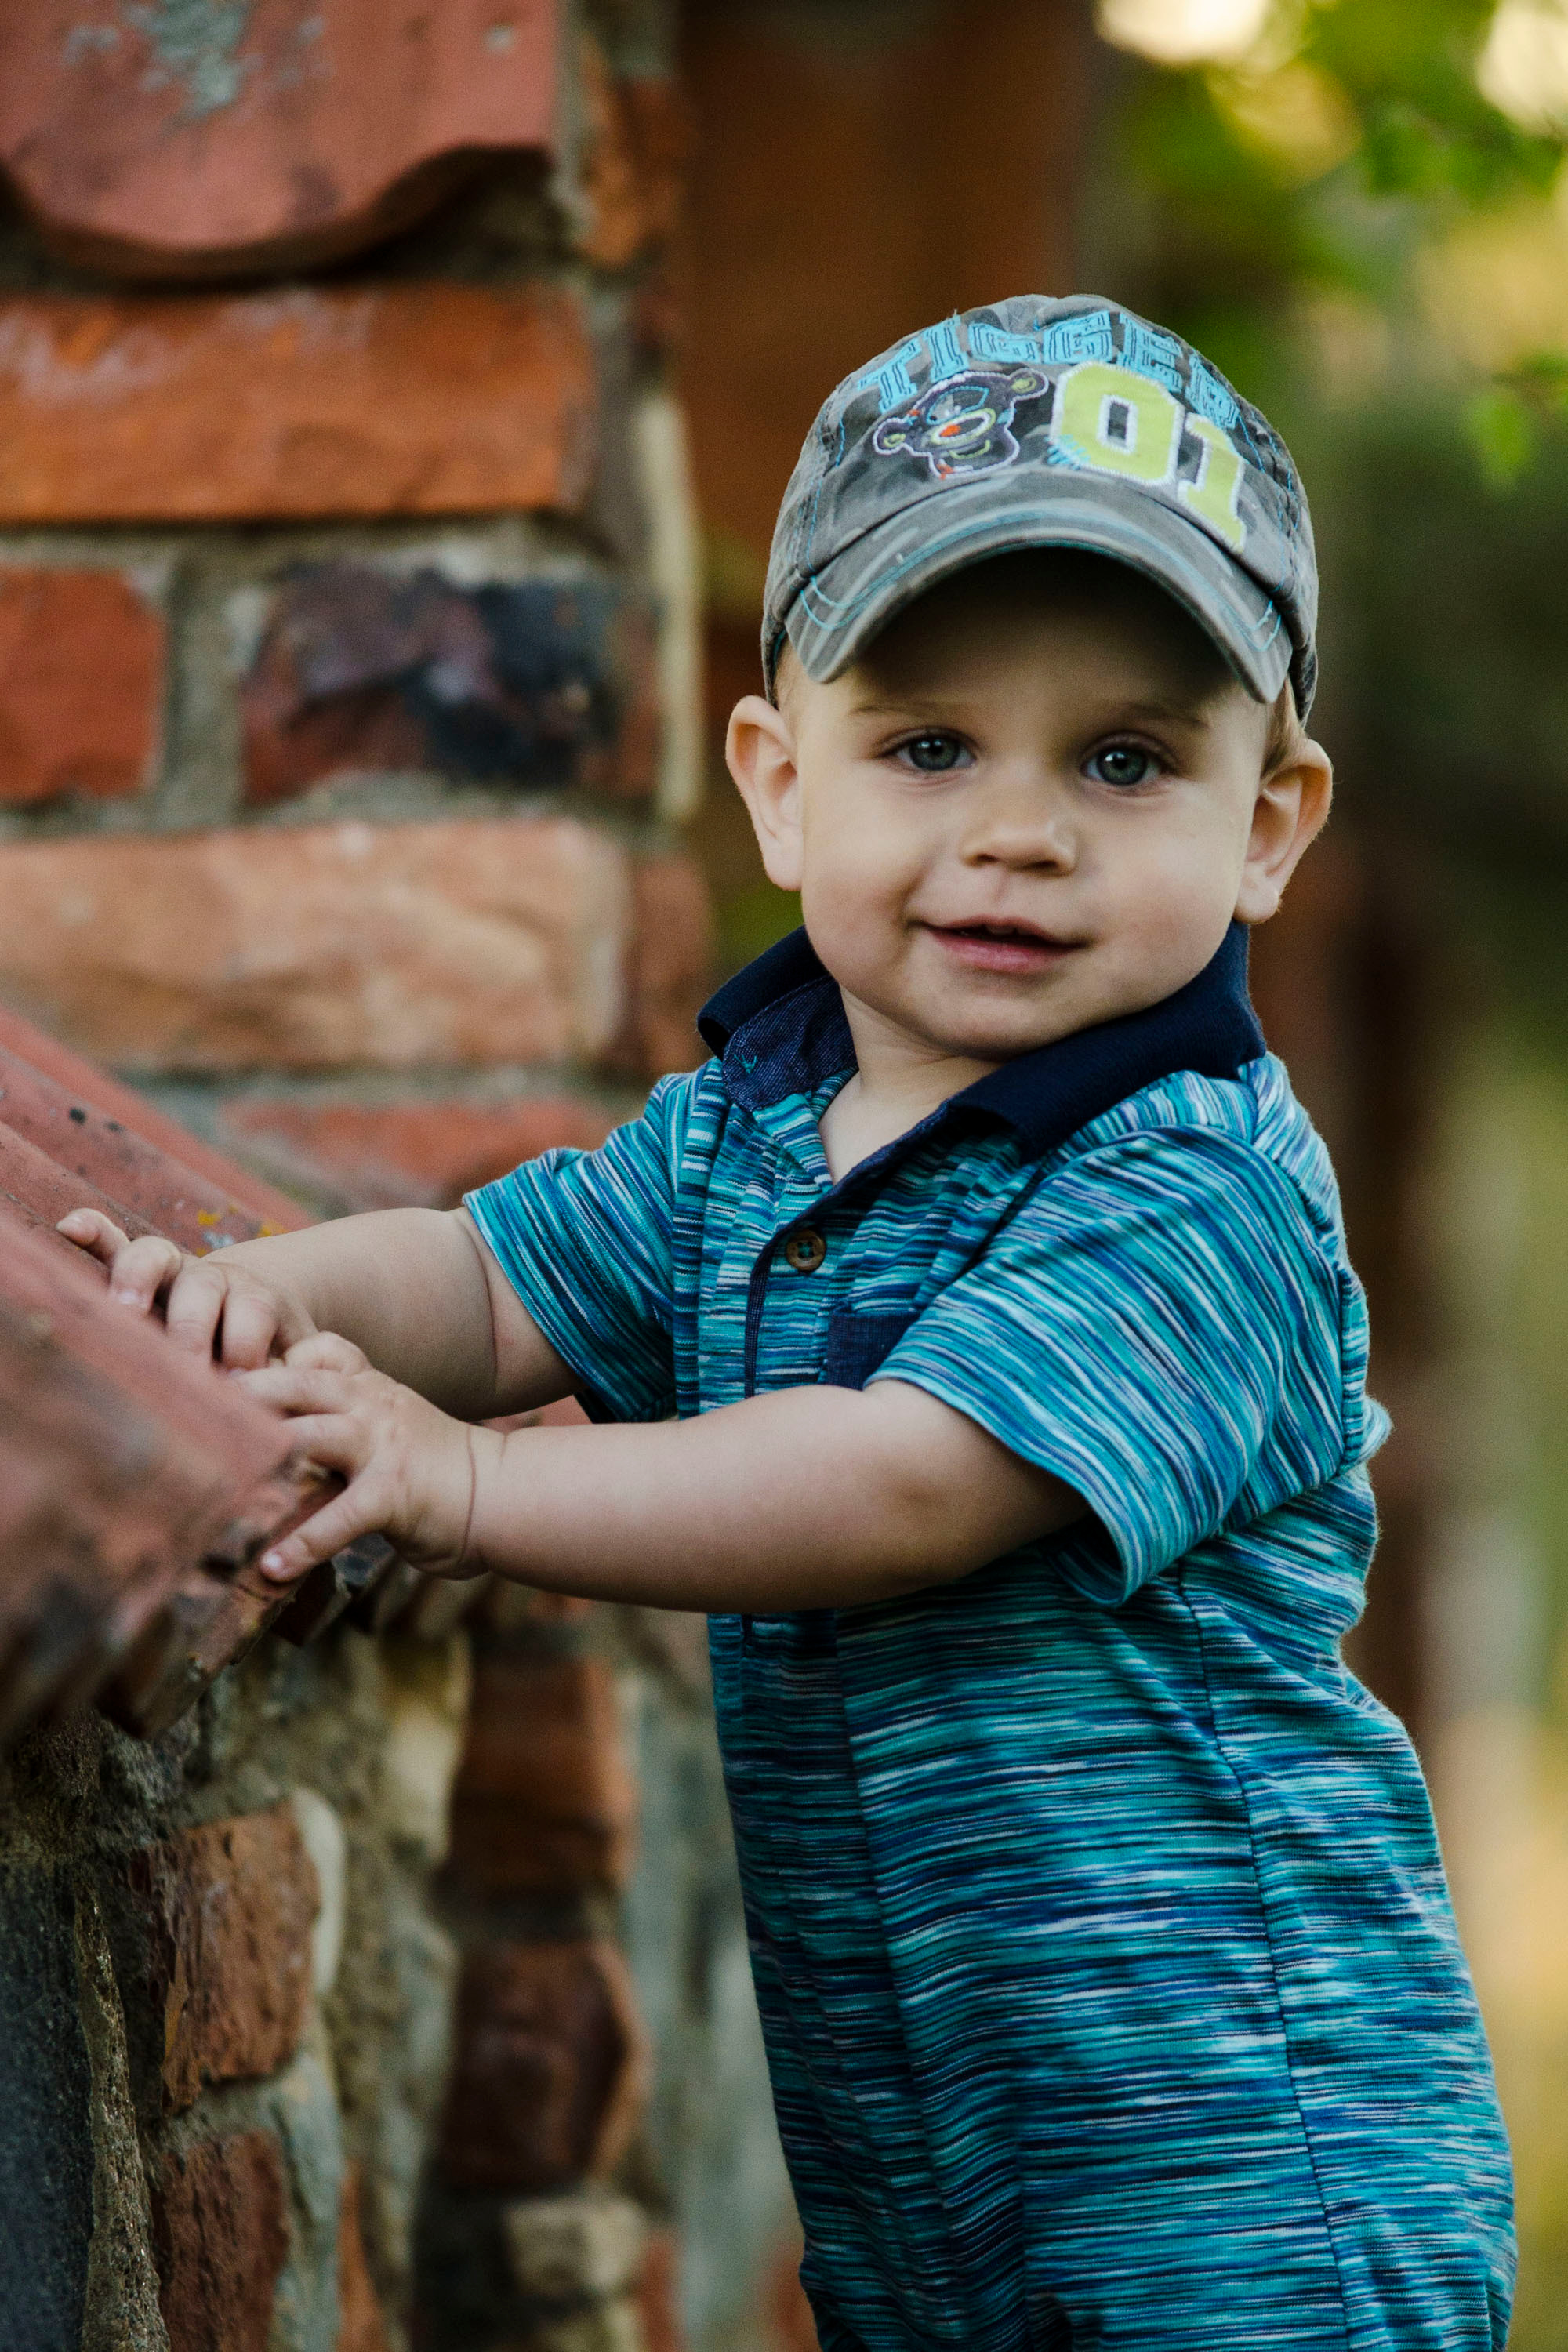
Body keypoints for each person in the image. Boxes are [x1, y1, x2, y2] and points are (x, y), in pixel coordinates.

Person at [63, 296, 1515, 2350]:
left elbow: (904, 1479)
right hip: (934, 2167)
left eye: (1125, 759)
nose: (1017, 830)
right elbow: (489, 1278)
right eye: (928, 747)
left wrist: (464, 1483)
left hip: (1245, 2179)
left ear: (1268, 822)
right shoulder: (748, 1127)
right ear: (777, 782)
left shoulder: (1198, 1183)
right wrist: (247, 1302)